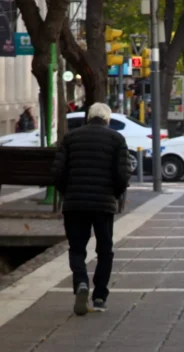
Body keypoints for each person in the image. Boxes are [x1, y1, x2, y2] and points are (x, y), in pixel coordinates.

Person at [52, 102, 130, 316]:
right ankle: (99, 296)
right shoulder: (116, 139)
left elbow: (58, 173)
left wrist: (66, 193)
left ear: (88, 118)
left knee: (77, 248)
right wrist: (114, 194)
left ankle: (81, 283)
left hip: (74, 203)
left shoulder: (70, 138)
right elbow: (122, 175)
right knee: (105, 250)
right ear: (107, 119)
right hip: (103, 204)